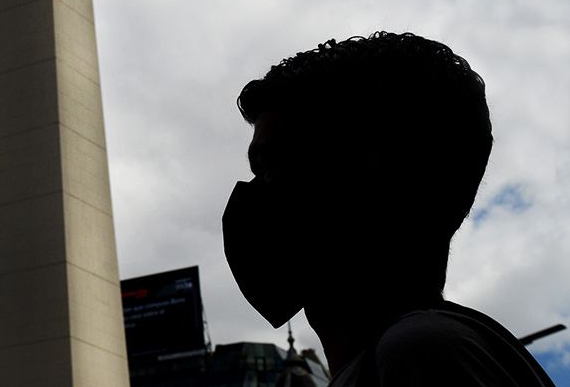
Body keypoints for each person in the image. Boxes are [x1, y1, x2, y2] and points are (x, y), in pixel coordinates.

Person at [221, 32, 554, 386]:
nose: (257, 192)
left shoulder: (420, 354)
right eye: (259, 170)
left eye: (279, 164)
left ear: (380, 174)